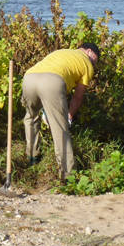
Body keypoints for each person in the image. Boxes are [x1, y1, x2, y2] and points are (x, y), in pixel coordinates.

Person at [21, 43, 100, 180]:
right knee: (59, 128)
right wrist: (69, 115)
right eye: (95, 59)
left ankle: (32, 159)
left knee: (31, 118)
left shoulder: (62, 52)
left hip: (29, 78)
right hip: (52, 82)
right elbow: (78, 96)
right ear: (89, 51)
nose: (94, 63)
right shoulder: (87, 63)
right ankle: (68, 174)